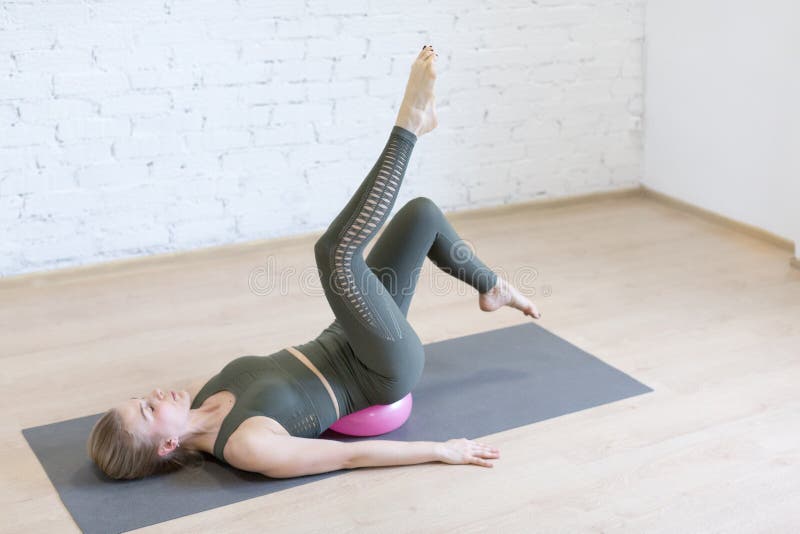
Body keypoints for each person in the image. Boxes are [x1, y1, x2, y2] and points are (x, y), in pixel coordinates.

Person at [87, 45, 542, 480]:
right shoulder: (246, 446)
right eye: (148, 410)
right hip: (382, 368)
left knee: (421, 214)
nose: (153, 396)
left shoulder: (204, 395)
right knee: (334, 254)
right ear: (166, 447)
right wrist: (443, 450)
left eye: (139, 398)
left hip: (350, 333)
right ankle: (411, 124)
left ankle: (492, 287)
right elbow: (348, 457)